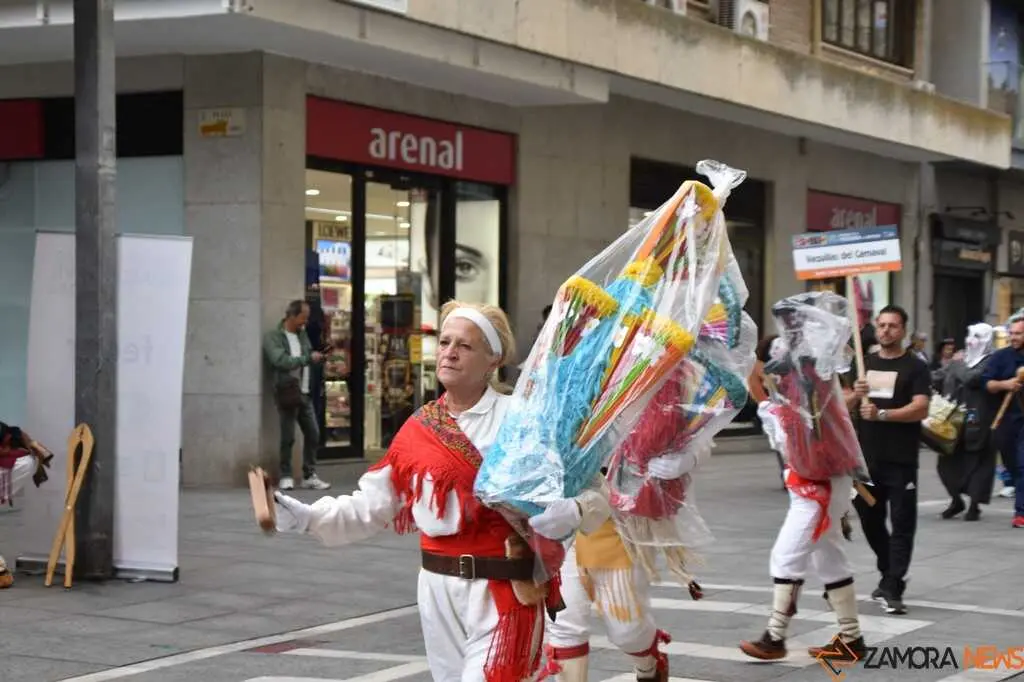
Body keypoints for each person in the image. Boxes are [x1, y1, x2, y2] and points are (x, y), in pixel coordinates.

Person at [272, 301, 612, 681]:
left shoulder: (523, 419)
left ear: (492, 360)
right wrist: (309, 517)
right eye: (445, 341)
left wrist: (576, 511)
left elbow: (597, 490)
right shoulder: (420, 427)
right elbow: (372, 504)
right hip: (437, 592)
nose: (449, 352)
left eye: (464, 346)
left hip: (504, 589)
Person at [739, 292, 867, 664]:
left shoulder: (814, 374)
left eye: (795, 323)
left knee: (787, 556)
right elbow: (762, 376)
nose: (789, 331)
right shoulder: (794, 376)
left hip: (821, 483)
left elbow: (804, 421)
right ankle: (852, 638)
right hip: (812, 481)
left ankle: (774, 636)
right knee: (828, 558)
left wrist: (774, 404)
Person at [542, 448, 710, 682]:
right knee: (565, 624)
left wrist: (687, 458)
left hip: (620, 524)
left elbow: (696, 434)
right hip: (561, 521)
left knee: (627, 630)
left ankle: (648, 666)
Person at [848, 304, 930, 615]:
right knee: (869, 518)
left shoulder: (915, 367)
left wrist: (883, 414)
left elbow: (921, 407)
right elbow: (842, 405)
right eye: (881, 325)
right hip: (867, 461)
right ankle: (888, 571)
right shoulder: (863, 363)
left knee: (902, 523)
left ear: (903, 330)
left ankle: (894, 586)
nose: (885, 331)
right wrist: (856, 394)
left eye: (892, 326)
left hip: (901, 460)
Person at [263, 300, 330, 491]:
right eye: (303, 318)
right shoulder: (274, 337)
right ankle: (285, 474)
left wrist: (317, 357)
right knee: (288, 435)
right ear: (291, 316)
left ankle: (309, 474)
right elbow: (280, 361)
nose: (305, 322)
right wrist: (308, 358)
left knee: (313, 433)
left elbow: (306, 356)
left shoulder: (302, 336)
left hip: (305, 391)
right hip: (287, 392)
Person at [932, 323, 997, 522]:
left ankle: (974, 505)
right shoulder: (960, 360)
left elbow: (972, 379)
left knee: (977, 464)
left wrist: (956, 364)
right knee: (946, 464)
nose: (971, 340)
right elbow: (937, 377)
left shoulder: (991, 361)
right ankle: (956, 500)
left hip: (978, 420)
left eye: (977, 336)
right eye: (969, 335)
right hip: (953, 419)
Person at [982, 315, 1024, 529]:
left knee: (1022, 464)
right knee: (1013, 466)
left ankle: (1021, 512)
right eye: (1012, 333)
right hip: (1006, 420)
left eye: (1019, 333)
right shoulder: (1000, 357)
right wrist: (1006, 384)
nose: (1014, 337)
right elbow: (987, 384)